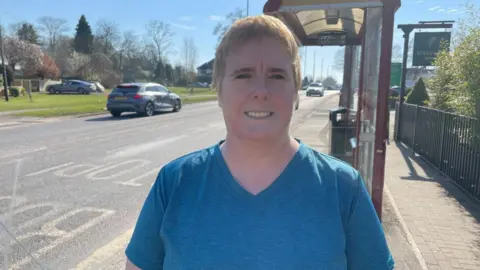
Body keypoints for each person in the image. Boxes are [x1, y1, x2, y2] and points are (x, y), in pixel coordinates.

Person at [125, 15, 394, 270]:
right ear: (218, 89)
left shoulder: (344, 189)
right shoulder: (174, 183)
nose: (261, 92)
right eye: (243, 75)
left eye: (277, 76)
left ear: (296, 91)